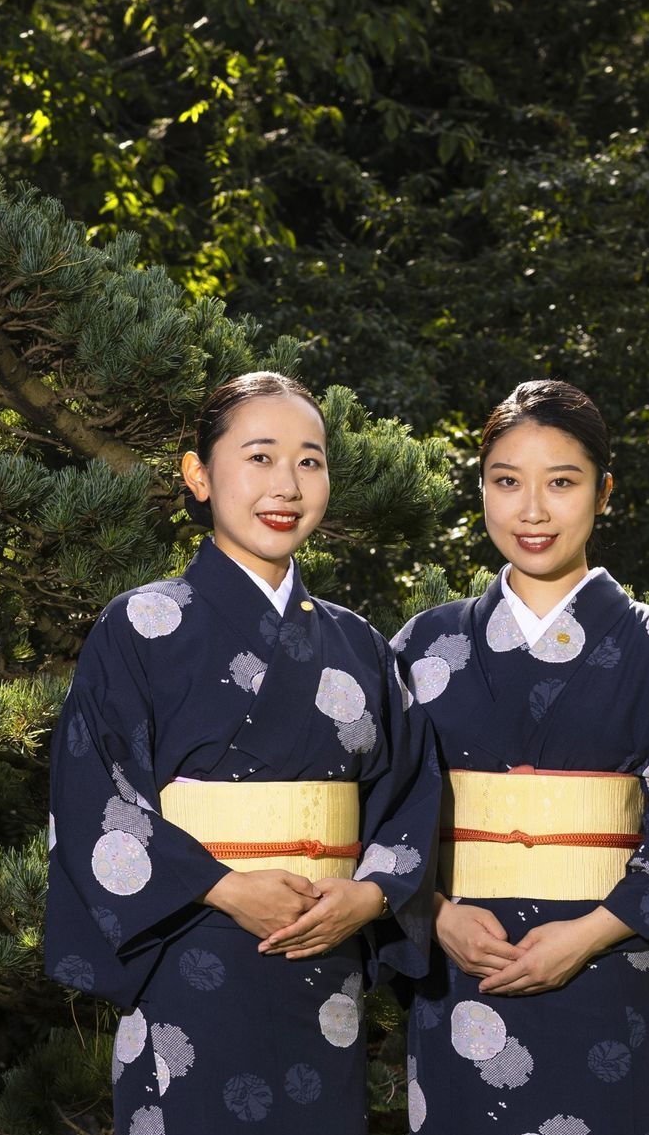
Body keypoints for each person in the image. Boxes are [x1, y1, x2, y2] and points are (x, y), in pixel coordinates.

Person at [44, 371, 439, 1135]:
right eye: (259, 456)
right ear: (198, 473)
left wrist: (369, 896)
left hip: (325, 956)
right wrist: (223, 886)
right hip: (190, 943)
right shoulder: (140, 625)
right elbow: (95, 792)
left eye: (310, 460)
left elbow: (412, 792)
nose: (286, 484)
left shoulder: (357, 642)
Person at [394, 379, 649, 1135]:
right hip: (461, 965)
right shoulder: (424, 646)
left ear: (603, 491)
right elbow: (376, 808)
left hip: (608, 969)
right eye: (506, 481)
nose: (532, 510)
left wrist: (593, 931)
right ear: (482, 488)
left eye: (561, 482)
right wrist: (433, 910)